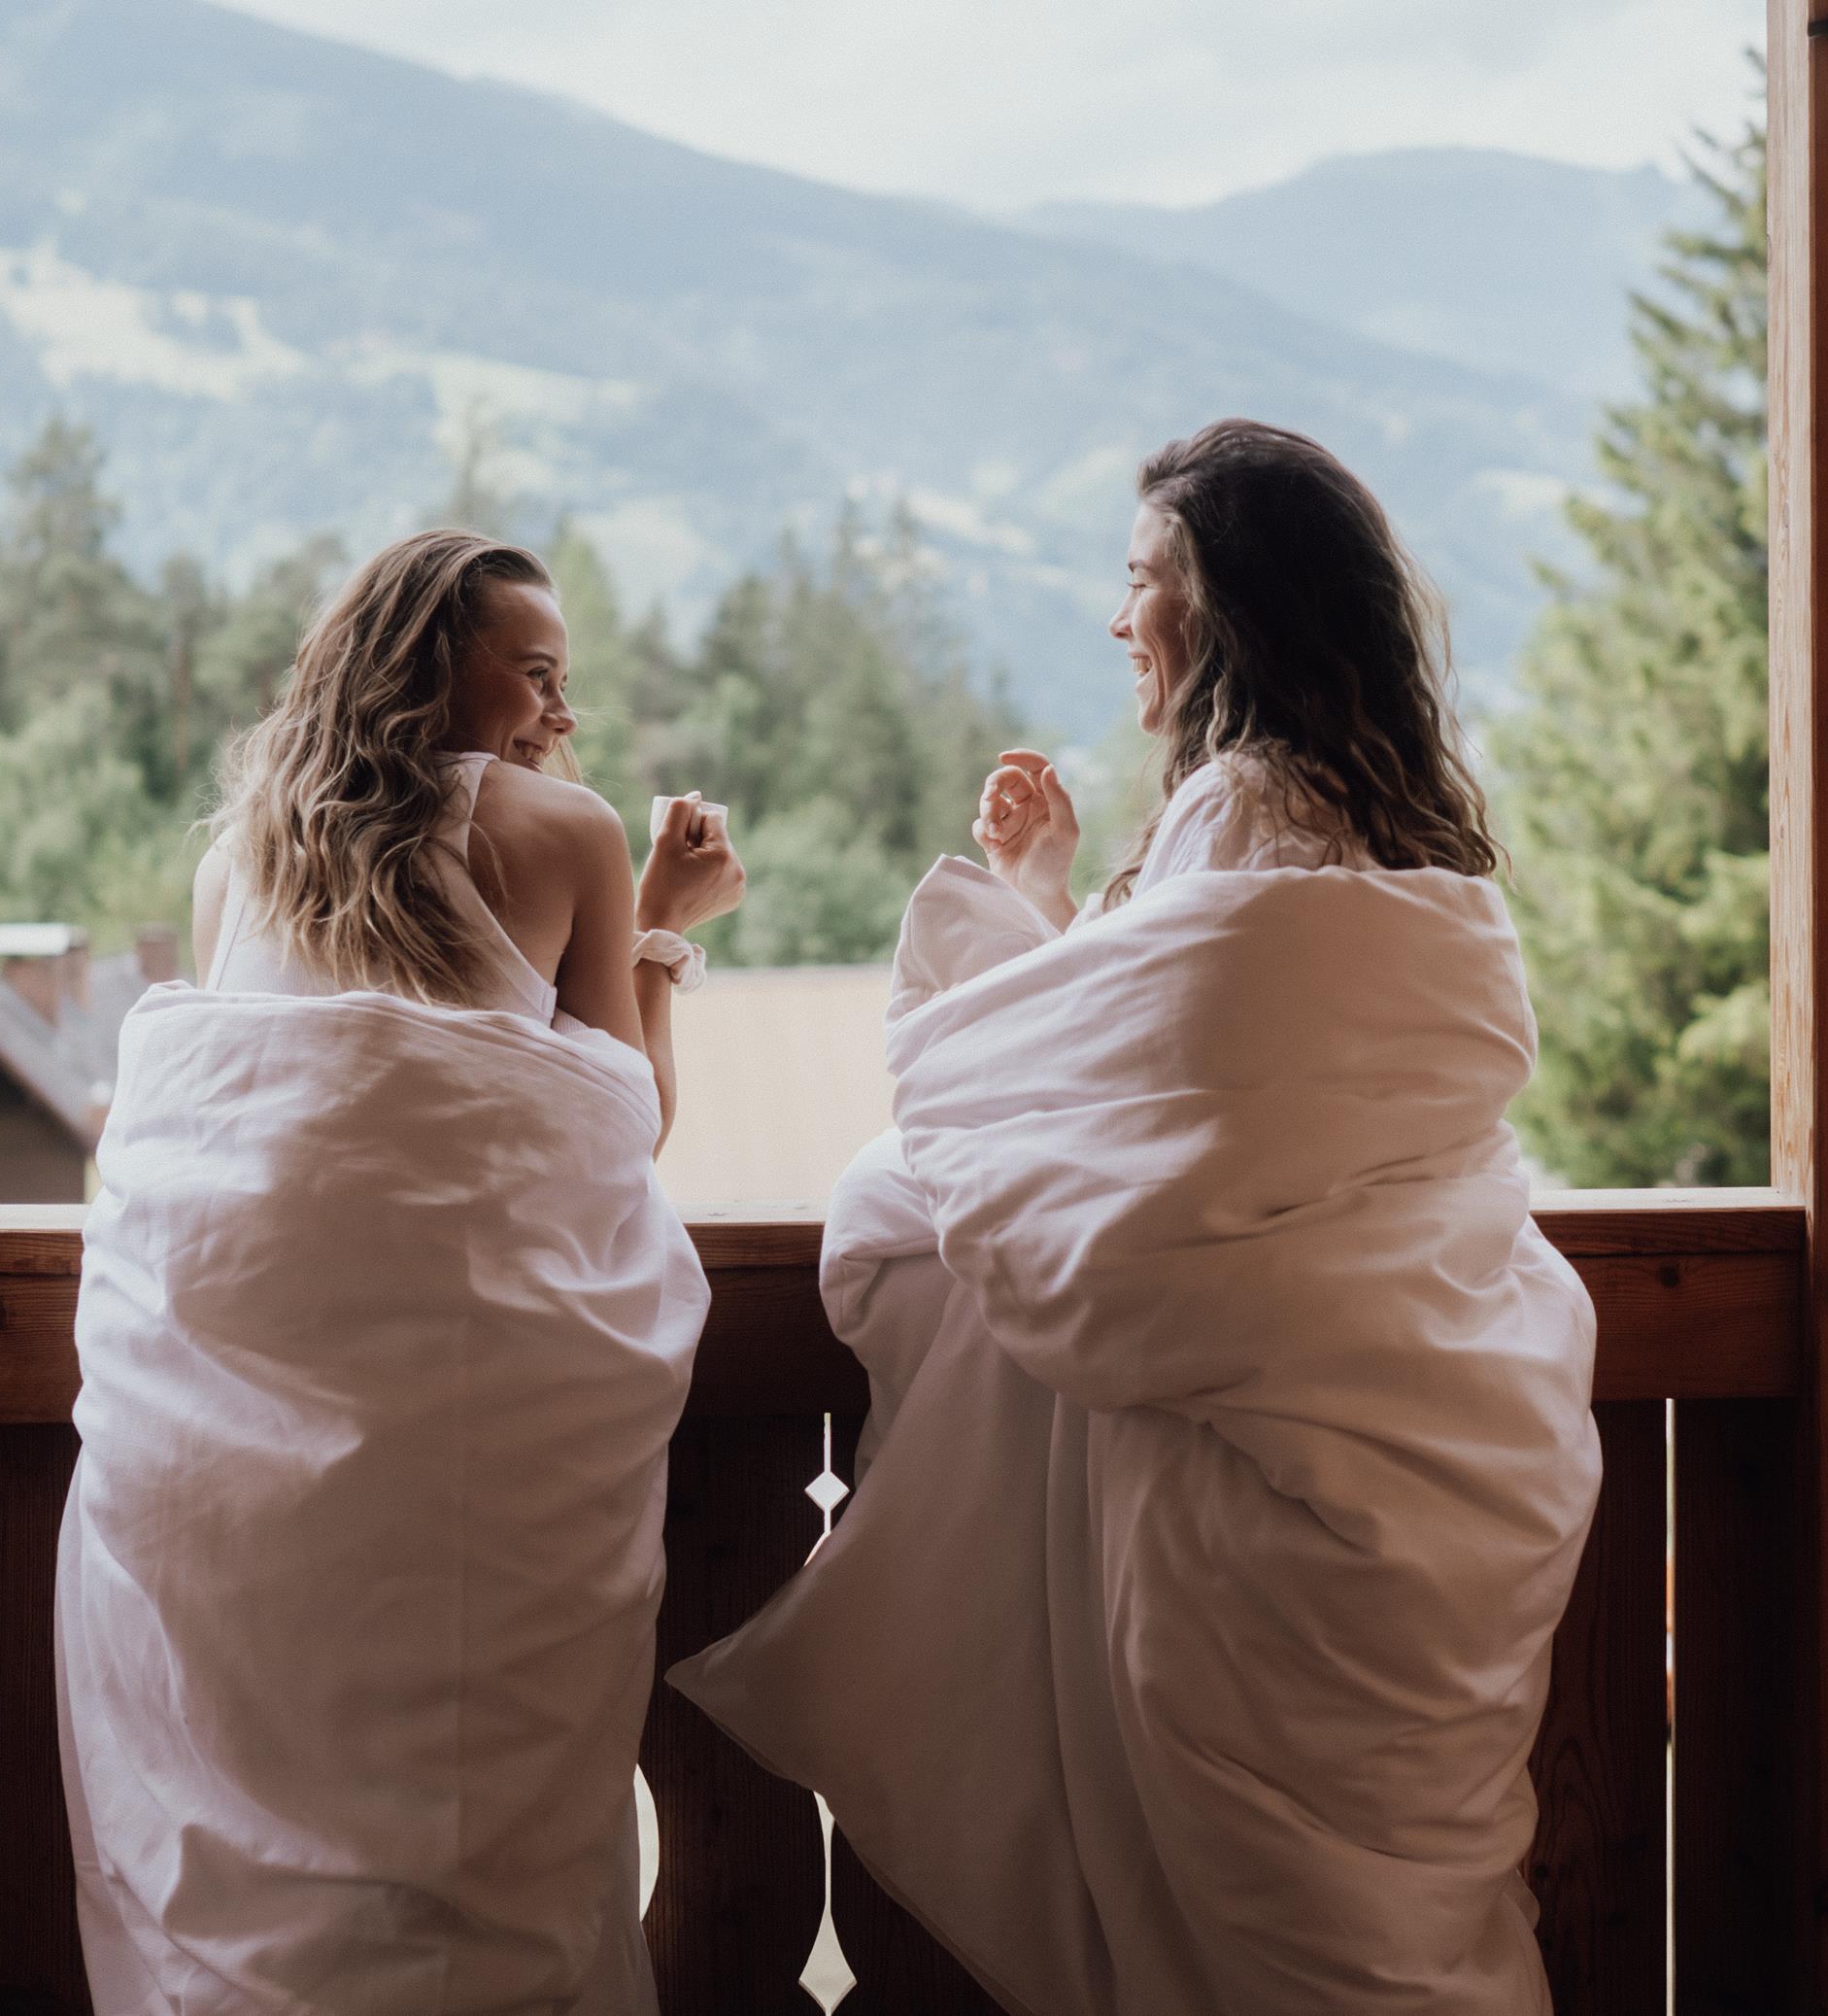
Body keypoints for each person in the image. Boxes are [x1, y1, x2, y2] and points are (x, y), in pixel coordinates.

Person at [672, 421, 1601, 2016]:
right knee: (1384, 1939)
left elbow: (1114, 1132)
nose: (1119, 621)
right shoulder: (1388, 823)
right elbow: (1196, 1093)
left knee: (1259, 1935)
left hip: (1248, 1463)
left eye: (1142, 580)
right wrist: (1052, 900)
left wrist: (1022, 929)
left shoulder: (1234, 807)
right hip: (1440, 1409)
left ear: (1231, 605)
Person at [58, 530, 742, 2014]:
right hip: (461, 1419)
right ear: (432, 664)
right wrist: (664, 938)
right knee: (463, 1804)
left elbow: (275, 1120)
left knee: (248, 1770)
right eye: (538, 675)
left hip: (224, 1427)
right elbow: (614, 1123)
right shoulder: (569, 833)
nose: (561, 713)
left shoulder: (237, 857)